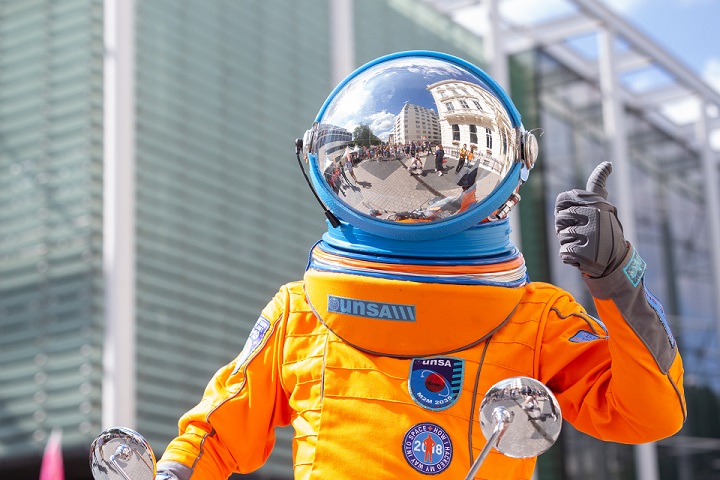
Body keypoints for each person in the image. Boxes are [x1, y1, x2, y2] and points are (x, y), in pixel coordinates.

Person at [154, 52, 685, 480]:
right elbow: (217, 435)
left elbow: (648, 413)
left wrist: (618, 276)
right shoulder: (300, 313)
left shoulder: (538, 318)